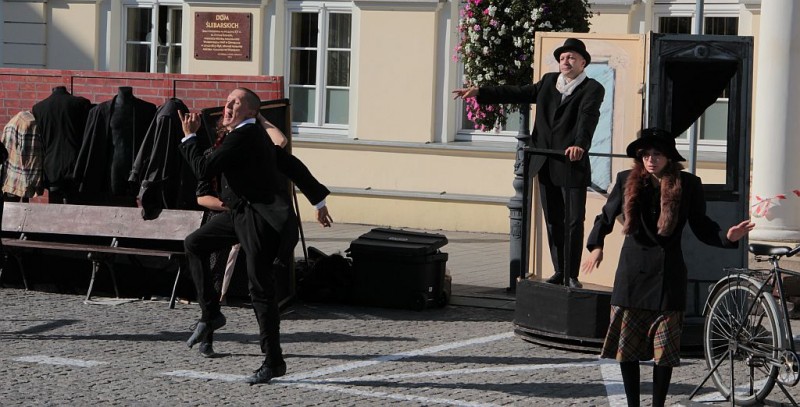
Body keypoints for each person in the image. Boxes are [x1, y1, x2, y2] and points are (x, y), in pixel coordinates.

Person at [580, 128, 754, 407]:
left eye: (657, 154)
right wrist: (596, 245)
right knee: (627, 350)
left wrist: (727, 236)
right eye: (646, 154)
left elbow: (701, 224)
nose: (651, 159)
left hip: (668, 275)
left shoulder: (688, 184)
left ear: (669, 157)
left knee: (665, 353)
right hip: (633, 275)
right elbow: (606, 216)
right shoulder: (626, 180)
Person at [177, 88, 333, 384]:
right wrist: (319, 201)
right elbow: (290, 164)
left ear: (251, 111)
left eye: (236, 102)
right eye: (227, 101)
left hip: (259, 220)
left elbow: (203, 168)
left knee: (260, 290)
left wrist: (189, 137)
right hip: (239, 214)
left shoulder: (246, 135)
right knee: (195, 243)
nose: (228, 106)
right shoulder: (248, 135)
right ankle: (211, 315)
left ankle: (273, 361)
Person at [452, 38, 605, 288]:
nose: (566, 61)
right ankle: (559, 271)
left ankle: (571, 275)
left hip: (571, 163)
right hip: (544, 162)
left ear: (583, 63)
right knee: (553, 220)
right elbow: (518, 92)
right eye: (562, 58)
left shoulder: (592, 88)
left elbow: (589, 118)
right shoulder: (548, 82)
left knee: (574, 221)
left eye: (571, 57)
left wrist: (580, 145)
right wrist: (481, 91)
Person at [194, 113, 289, 359]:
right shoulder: (212, 156)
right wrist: (229, 206)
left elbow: (280, 142)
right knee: (214, 277)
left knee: (257, 282)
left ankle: (269, 346)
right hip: (222, 217)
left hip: (250, 219)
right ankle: (208, 335)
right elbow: (202, 196)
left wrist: (259, 117)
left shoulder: (253, 154)